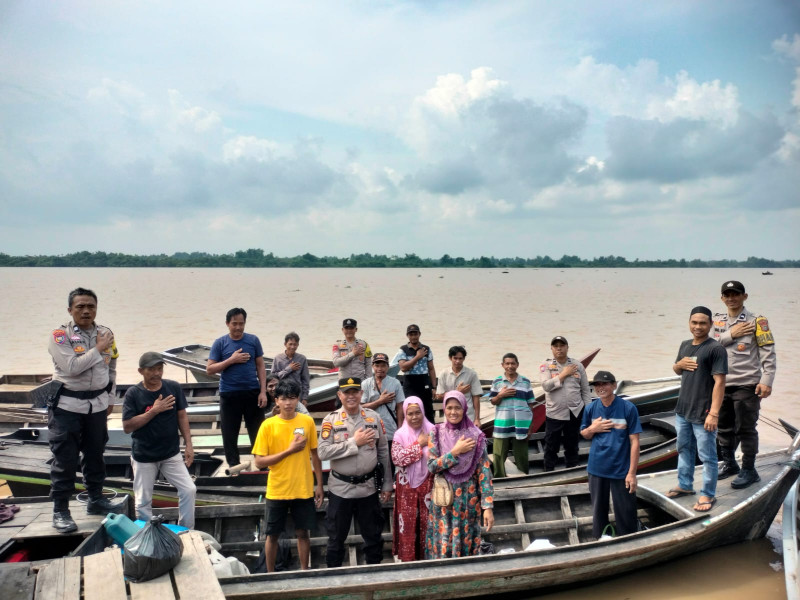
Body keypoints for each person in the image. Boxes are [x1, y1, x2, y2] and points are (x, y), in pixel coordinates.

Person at [48, 287, 125, 533]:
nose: (86, 310)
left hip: (97, 405)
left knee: (95, 454)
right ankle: (61, 510)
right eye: (80, 306)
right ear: (70, 310)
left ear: (96, 308)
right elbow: (71, 367)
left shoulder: (106, 333)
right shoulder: (60, 336)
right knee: (66, 459)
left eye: (90, 306)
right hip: (67, 406)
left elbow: (112, 366)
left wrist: (111, 397)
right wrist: (98, 349)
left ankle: (95, 499)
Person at [317, 377, 393, 567]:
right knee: (335, 539)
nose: (351, 396)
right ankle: (334, 579)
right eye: (346, 393)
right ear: (339, 395)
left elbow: (383, 452)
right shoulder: (331, 420)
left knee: (374, 538)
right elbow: (323, 452)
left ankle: (374, 578)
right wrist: (353, 443)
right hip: (340, 489)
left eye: (354, 392)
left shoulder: (373, 418)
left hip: (368, 489)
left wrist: (386, 484)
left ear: (361, 394)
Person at [252, 379, 324, 572]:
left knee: (303, 533)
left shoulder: (306, 421)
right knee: (272, 535)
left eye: (292, 398)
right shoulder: (268, 425)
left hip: (303, 488)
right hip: (277, 490)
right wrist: (289, 450)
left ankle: (304, 571)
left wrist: (319, 485)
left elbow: (315, 455)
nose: (288, 403)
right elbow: (259, 462)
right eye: (283, 398)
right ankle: (270, 575)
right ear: (276, 401)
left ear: (298, 399)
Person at [712, 280, 777, 489]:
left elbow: (768, 353)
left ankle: (749, 470)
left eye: (736, 294)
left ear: (744, 296)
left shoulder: (758, 321)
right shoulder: (717, 321)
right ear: (722, 298)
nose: (731, 298)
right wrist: (732, 334)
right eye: (727, 295)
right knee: (723, 427)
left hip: (747, 384)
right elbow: (709, 346)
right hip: (721, 384)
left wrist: (766, 381)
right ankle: (730, 465)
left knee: (746, 428)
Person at [122, 352, 196, 528]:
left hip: (170, 453)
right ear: (141, 371)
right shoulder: (133, 394)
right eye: (151, 370)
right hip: (144, 456)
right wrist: (154, 410)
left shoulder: (173, 387)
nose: (156, 373)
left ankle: (186, 530)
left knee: (189, 490)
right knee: (142, 502)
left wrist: (189, 444)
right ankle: (148, 536)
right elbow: (127, 426)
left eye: (159, 369)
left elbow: (182, 416)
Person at [670, 306, 728, 512]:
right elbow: (677, 369)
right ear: (689, 323)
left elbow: (720, 382)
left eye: (703, 323)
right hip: (683, 409)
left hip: (703, 413)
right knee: (683, 449)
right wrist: (679, 365)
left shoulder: (715, 349)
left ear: (711, 324)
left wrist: (714, 413)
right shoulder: (685, 345)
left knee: (708, 455)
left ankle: (708, 494)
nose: (698, 326)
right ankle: (685, 485)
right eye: (694, 322)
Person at [426, 391, 494, 558]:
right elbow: (432, 466)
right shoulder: (436, 432)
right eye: (449, 408)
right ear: (444, 409)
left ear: (464, 409)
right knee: (444, 541)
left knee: (467, 541)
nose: (453, 412)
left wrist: (487, 507)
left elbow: (484, 473)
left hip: (468, 501)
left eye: (457, 408)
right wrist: (455, 453)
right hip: (444, 501)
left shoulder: (476, 436)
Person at [580, 371, 642, 539]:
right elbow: (585, 434)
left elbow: (635, 442)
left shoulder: (628, 408)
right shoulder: (591, 408)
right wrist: (592, 429)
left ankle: (628, 540)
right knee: (598, 510)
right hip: (597, 467)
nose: (601, 388)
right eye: (597, 385)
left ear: (614, 385)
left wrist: (632, 473)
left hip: (621, 469)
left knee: (626, 511)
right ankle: (601, 539)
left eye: (605, 384)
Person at [206, 307, 267, 468]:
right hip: (229, 394)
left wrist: (263, 392)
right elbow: (210, 369)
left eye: (241, 323)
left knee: (258, 432)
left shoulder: (253, 340)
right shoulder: (220, 343)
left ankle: (262, 465)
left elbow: (261, 367)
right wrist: (231, 360)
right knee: (229, 433)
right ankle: (234, 466)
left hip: (252, 393)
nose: (238, 327)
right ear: (227, 324)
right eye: (234, 324)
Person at [391, 396, 435, 562]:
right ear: (405, 415)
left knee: (428, 525)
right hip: (406, 490)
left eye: (418, 413)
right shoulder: (399, 434)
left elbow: (439, 457)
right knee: (408, 527)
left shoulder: (433, 431)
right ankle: (409, 562)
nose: (414, 417)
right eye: (410, 414)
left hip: (429, 488)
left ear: (423, 412)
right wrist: (419, 444)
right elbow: (397, 458)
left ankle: (430, 560)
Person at [540, 336, 591, 471]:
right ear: (551, 349)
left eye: (562, 345)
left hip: (575, 411)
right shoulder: (546, 366)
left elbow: (585, 390)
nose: (559, 348)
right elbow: (546, 386)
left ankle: (572, 470)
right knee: (551, 446)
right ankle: (548, 473)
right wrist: (563, 375)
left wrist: (589, 411)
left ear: (567, 347)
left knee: (572, 445)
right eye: (555, 346)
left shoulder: (577, 365)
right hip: (554, 413)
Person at [489, 353, 536, 478]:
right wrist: (500, 395)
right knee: (498, 455)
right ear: (503, 365)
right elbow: (493, 401)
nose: (510, 366)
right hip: (502, 424)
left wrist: (530, 427)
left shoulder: (525, 382)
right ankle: (499, 479)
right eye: (507, 363)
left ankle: (524, 478)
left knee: (521, 456)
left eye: (513, 363)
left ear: (517, 365)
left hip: (521, 425)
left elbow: (531, 405)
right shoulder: (497, 382)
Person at [361, 352, 405, 458]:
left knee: (391, 460)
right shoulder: (366, 384)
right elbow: (361, 407)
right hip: (370, 429)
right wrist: (380, 401)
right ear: (372, 366)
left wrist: (400, 429)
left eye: (383, 365)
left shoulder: (395, 383)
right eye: (377, 365)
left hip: (390, 428)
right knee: (372, 460)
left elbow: (400, 407)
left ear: (388, 367)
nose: (380, 368)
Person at [391, 324, 437, 424]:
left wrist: (434, 387)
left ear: (419, 334)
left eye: (415, 334)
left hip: (424, 381)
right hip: (410, 382)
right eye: (411, 334)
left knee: (427, 410)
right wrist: (417, 357)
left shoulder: (426, 349)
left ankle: (431, 435)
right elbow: (403, 367)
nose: (413, 336)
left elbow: (431, 369)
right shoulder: (403, 349)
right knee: (410, 409)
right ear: (407, 335)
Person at [435, 345, 483, 425]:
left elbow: (476, 397)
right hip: (450, 415)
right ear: (450, 358)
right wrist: (457, 392)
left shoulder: (472, 374)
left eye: (460, 358)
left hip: (468, 415)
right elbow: (439, 395)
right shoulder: (443, 374)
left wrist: (477, 419)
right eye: (455, 358)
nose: (457, 361)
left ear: (464, 359)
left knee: (468, 437)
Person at [271, 332, 311, 405]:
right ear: (285, 344)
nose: (292, 347)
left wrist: (305, 397)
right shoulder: (278, 359)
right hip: (282, 394)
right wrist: (289, 369)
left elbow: (305, 380)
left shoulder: (302, 359)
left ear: (298, 345)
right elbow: (273, 378)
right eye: (290, 344)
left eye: (295, 344)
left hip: (297, 395)